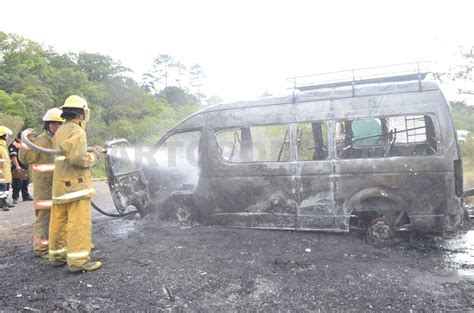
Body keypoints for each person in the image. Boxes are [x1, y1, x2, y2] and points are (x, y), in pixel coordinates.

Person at [48, 95, 103, 273]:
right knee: (78, 224)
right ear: (81, 114)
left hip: (60, 188)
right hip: (76, 188)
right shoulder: (78, 132)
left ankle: (57, 256)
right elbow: (78, 159)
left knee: (59, 223)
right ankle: (79, 262)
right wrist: (94, 155)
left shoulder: (60, 131)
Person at [19, 108, 64, 259]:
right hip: (44, 188)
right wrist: (27, 142)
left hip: (61, 186)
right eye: (54, 123)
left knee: (62, 217)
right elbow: (26, 159)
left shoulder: (64, 140)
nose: (57, 126)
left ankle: (58, 245)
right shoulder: (39, 141)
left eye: (60, 123)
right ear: (47, 124)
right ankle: (42, 249)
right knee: (44, 218)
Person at [9, 131, 33, 204]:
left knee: (25, 182)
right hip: (18, 166)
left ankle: (25, 196)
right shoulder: (14, 144)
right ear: (20, 138)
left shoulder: (23, 143)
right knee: (17, 183)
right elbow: (13, 156)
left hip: (25, 165)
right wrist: (17, 166)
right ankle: (15, 198)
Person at [0, 126, 14, 211]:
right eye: (6, 135)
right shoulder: (0, 147)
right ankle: (3, 203)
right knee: (2, 188)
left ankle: (4, 201)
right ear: (3, 135)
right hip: (1, 172)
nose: (7, 136)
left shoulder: (3, 146)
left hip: (5, 171)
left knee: (6, 187)